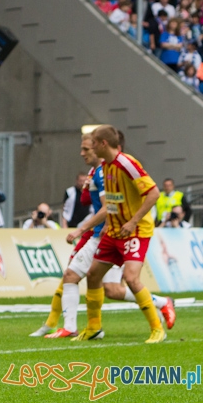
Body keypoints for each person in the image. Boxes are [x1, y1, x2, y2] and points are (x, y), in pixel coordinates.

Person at [30, 133, 175, 339]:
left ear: (102, 145)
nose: (82, 153)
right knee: (101, 283)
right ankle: (87, 327)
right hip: (108, 232)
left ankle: (156, 325)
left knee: (121, 280)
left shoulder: (122, 165)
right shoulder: (102, 169)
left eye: (88, 148)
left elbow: (134, 198)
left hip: (120, 232)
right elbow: (96, 201)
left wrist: (84, 229)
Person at [73, 125, 166, 344]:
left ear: (103, 144)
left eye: (93, 144)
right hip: (114, 231)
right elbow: (114, 199)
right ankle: (93, 328)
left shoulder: (127, 163)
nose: (90, 148)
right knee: (93, 275)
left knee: (131, 279)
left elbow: (154, 193)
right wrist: (109, 223)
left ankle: (157, 329)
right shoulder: (105, 166)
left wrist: (133, 221)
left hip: (135, 231)